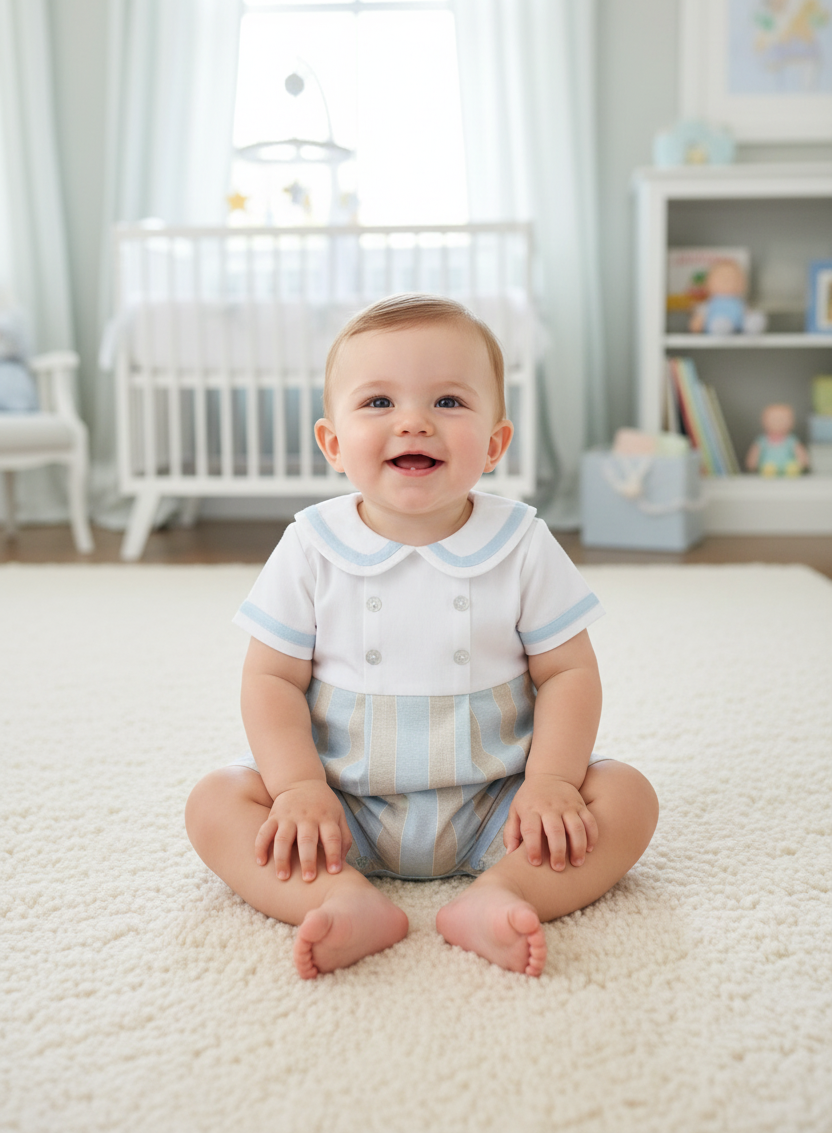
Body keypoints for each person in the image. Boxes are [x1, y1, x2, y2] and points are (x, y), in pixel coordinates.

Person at [185, 294, 659, 980]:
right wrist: (295, 788)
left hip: (501, 800)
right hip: (339, 805)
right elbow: (270, 680)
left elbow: (568, 673)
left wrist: (552, 781)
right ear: (333, 443)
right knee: (215, 801)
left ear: (495, 443)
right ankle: (340, 895)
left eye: (448, 402)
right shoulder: (311, 545)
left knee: (627, 795)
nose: (413, 421)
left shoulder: (520, 541)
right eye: (378, 403)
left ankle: (505, 892)